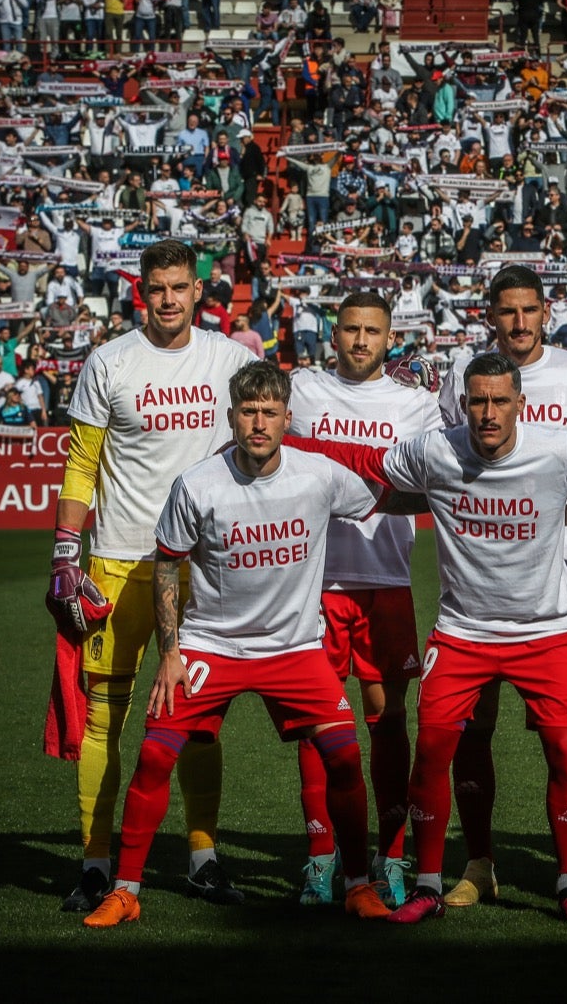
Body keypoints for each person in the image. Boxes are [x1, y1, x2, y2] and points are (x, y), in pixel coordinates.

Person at [290, 352, 567, 926]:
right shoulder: (437, 449)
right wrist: (291, 446)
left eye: (499, 401)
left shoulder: (557, 452)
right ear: (463, 403)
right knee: (431, 753)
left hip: (544, 632)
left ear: (521, 403)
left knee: (565, 751)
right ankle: (428, 884)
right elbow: (362, 459)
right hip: (463, 633)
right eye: (477, 401)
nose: (488, 413)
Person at [80, 361, 395, 928]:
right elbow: (168, 567)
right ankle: (125, 891)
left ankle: (356, 886)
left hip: (295, 648)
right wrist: (172, 655)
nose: (258, 423)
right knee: (154, 754)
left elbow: (383, 501)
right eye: (248, 412)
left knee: (345, 757)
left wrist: (468, 487)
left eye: (269, 413)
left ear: (286, 418)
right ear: (231, 416)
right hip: (212, 646)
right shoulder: (197, 484)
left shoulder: (318, 474)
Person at [45, 239, 260, 913]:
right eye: (156, 289)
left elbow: (263, 443)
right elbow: (83, 463)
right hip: (116, 561)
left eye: (179, 287)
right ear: (142, 292)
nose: (167, 299)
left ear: (200, 291)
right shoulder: (109, 361)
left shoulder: (232, 359)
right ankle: (95, 863)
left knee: (198, 722)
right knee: (105, 718)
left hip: (203, 567)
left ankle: (202, 857)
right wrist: (62, 553)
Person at [430, 265, 567, 909]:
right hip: (478, 582)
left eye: (530, 310)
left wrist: (562, 515)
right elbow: (456, 457)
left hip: (563, 576)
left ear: (547, 311)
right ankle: (479, 862)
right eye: (507, 312)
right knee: (471, 730)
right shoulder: (464, 376)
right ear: (490, 315)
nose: (520, 323)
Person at [286, 291, 444, 908]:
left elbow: (428, 479)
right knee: (314, 725)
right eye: (350, 330)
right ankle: (321, 859)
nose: (359, 341)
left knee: (388, 719)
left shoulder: (416, 404)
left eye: (371, 332)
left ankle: (391, 854)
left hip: (387, 582)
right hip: (312, 581)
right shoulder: (302, 391)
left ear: (388, 337)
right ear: (335, 334)